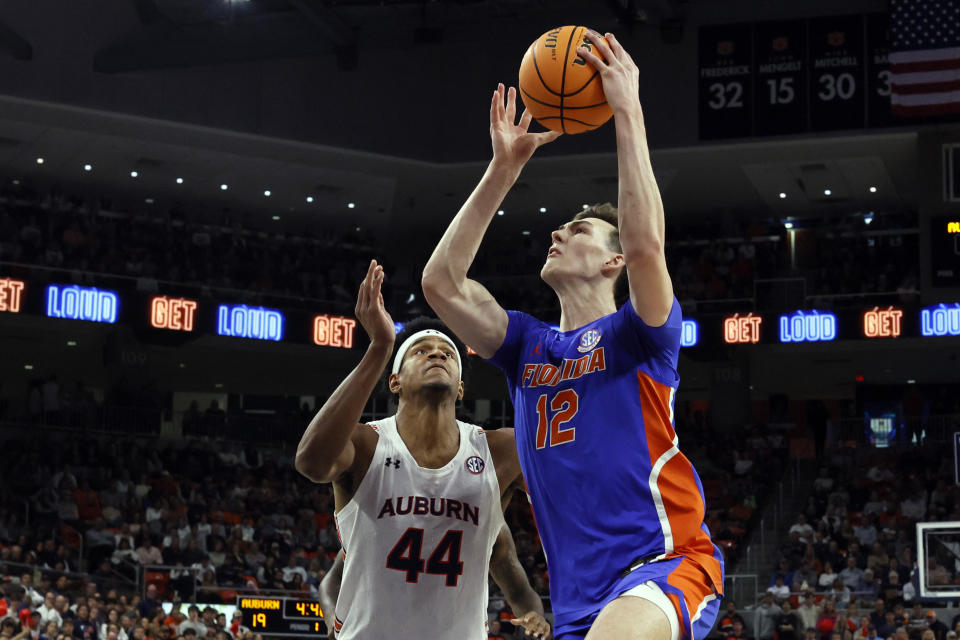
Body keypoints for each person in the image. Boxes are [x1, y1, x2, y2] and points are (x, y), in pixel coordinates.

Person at [421, 29, 722, 640]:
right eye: (560, 227)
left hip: (664, 566)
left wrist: (627, 111)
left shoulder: (643, 333)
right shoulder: (526, 345)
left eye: (579, 231)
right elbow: (442, 285)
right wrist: (502, 170)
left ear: (612, 264)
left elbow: (645, 244)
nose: (558, 233)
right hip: (579, 600)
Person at [295, 263, 549, 640]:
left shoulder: (502, 450)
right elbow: (311, 463)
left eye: (447, 352)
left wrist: (535, 613)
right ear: (394, 380)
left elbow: (566, 500)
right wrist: (380, 347)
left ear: (461, 388)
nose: (437, 354)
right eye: (420, 351)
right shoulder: (367, 444)